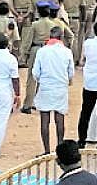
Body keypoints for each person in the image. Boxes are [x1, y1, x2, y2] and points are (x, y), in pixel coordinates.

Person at [34, 26, 76, 154]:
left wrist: (42, 80)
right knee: (60, 119)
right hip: (60, 87)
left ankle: (46, 150)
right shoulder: (67, 52)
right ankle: (60, 148)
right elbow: (71, 73)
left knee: (45, 120)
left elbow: (35, 72)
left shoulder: (42, 51)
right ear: (61, 37)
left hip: (46, 87)